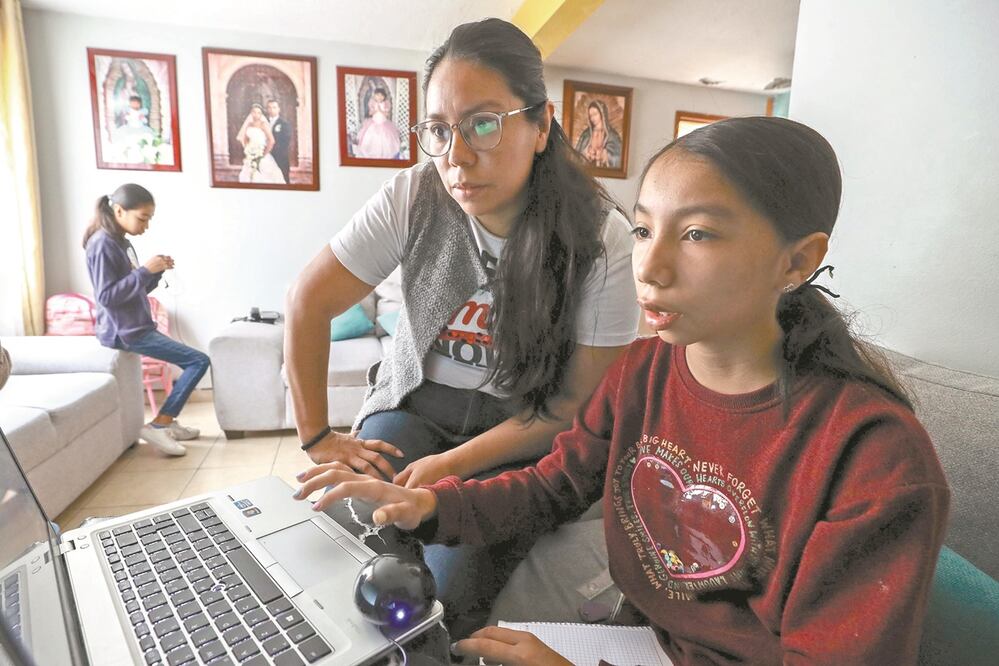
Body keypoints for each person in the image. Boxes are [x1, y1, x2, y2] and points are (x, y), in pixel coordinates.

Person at [294, 116, 950, 664]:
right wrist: (425, 506)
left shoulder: (872, 458)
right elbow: (550, 487)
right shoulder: (642, 373)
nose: (650, 266)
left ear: (797, 260)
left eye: (696, 233)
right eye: (641, 228)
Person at [285, 18, 638, 635]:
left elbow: (573, 408)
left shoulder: (599, 236)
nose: (458, 156)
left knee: (452, 597)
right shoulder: (413, 197)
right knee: (373, 548)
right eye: (440, 131)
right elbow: (307, 302)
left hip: (520, 426)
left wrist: (454, 468)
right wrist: (317, 435)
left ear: (541, 124)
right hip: (411, 407)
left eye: (483, 123)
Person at [83, 184, 211, 457]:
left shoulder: (122, 242)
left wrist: (154, 273)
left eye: (149, 218)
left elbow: (133, 289)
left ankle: (168, 422)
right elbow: (106, 297)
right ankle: (160, 424)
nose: (146, 225)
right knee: (199, 360)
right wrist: (144, 271)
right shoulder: (102, 244)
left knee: (196, 360)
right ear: (119, 211)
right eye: (142, 218)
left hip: (135, 325)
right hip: (124, 331)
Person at [236, 103, 286, 184]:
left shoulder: (263, 124)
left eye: (258, 112)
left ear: (261, 114)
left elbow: (272, 141)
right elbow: (245, 139)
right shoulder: (249, 124)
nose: (256, 114)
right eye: (254, 112)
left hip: (262, 154)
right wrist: (248, 150)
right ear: (251, 113)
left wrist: (263, 153)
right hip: (251, 155)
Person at [354, 87, 401, 159]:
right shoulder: (372, 102)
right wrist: (376, 110)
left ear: (384, 96)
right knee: (370, 136)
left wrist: (380, 110)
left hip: (383, 122)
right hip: (374, 122)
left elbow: (386, 114)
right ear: (375, 95)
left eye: (381, 95)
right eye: (377, 95)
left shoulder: (386, 103)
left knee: (386, 138)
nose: (379, 97)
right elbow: (370, 113)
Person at [574, 100, 622, 169]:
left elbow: (619, 158)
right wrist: (585, 154)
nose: (592, 118)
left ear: (602, 114)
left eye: (595, 114)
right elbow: (575, 155)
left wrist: (605, 155)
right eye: (590, 116)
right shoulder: (586, 134)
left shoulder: (612, 135)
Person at [265, 99, 292, 183]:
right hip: (266, 157)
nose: (271, 110)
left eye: (274, 107)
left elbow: (285, 141)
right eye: (269, 107)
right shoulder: (263, 122)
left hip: (280, 157)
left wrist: (271, 149)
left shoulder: (284, 123)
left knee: (282, 180)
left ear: (278, 109)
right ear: (267, 109)